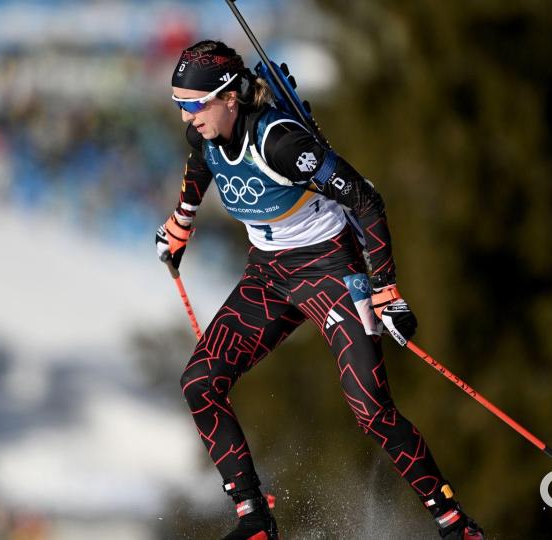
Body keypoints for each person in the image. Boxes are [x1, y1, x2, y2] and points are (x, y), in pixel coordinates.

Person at [157, 40, 484, 540]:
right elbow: (202, 165)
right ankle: (254, 518)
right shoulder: (205, 132)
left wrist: (386, 292)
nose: (187, 116)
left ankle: (454, 523)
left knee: (370, 408)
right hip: (268, 273)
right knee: (199, 383)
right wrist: (181, 224)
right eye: (179, 104)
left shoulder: (280, 143)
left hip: (331, 267)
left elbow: (367, 200)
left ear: (228, 97)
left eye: (194, 104)